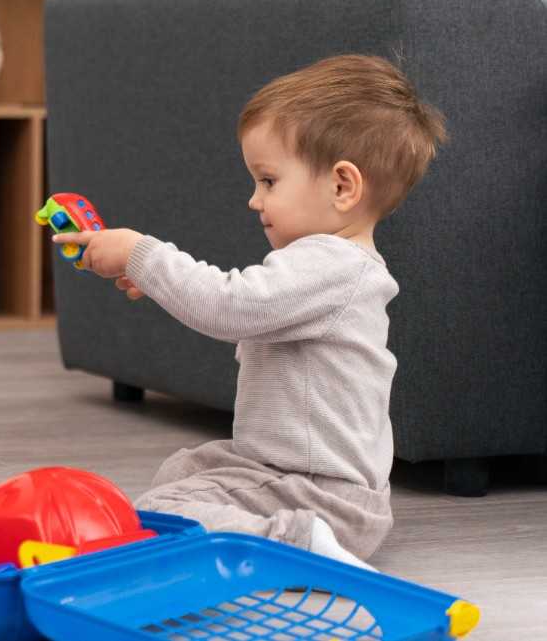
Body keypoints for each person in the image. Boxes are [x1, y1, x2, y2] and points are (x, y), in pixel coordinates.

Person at [54, 54, 446, 568]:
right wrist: (156, 281)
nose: (254, 201)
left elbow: (229, 306)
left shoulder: (331, 265)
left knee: (162, 508)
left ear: (342, 186)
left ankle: (297, 545)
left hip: (321, 494)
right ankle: (276, 537)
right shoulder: (330, 267)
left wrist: (141, 255)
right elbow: (238, 306)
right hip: (291, 474)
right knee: (183, 472)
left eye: (268, 181)